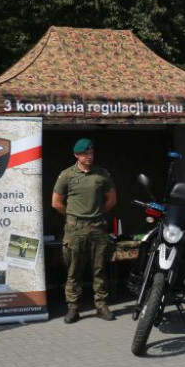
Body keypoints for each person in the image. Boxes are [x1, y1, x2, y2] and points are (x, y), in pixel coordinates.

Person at [52, 138, 117, 323]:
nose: (89, 157)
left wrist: (96, 214)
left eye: (91, 153)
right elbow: (56, 202)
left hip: (97, 227)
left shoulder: (102, 174)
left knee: (99, 269)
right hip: (75, 229)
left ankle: (101, 305)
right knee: (74, 270)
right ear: (76, 155)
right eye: (84, 154)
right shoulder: (66, 175)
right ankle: (73, 308)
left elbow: (111, 200)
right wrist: (72, 216)